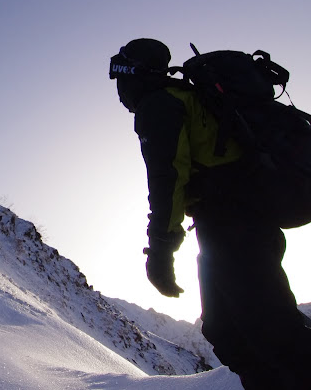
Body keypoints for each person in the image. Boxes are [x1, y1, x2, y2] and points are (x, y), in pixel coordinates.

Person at [109, 38, 311, 390]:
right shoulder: (184, 98)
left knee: (268, 329)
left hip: (235, 219)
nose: (119, 92)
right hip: (227, 221)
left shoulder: (159, 105)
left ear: (131, 75)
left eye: (119, 80)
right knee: (226, 329)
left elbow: (168, 178)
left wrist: (160, 252)